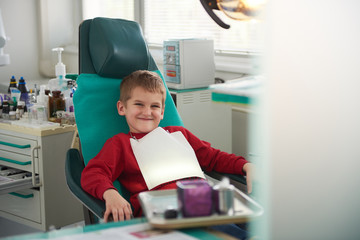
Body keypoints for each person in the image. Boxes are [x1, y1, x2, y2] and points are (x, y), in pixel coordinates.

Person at [81, 70, 255, 223]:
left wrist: (245, 165)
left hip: (206, 206)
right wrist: (110, 194)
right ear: (122, 108)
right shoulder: (121, 144)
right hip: (165, 215)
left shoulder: (179, 134)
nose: (147, 112)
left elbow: (213, 157)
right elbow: (94, 173)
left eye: (154, 106)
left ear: (163, 111)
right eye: (139, 104)